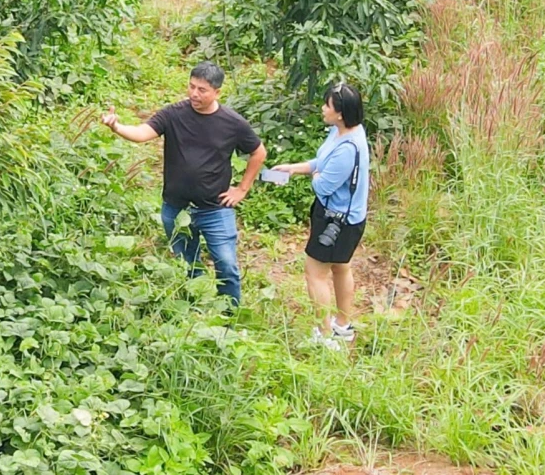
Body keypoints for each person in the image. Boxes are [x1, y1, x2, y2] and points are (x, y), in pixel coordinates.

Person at [102, 61, 265, 303]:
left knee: (227, 264)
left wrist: (242, 189)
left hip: (215, 209)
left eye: (202, 90)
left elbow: (258, 152)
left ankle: (231, 312)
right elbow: (142, 133)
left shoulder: (232, 122)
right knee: (187, 263)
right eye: (191, 86)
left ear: (217, 92)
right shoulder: (173, 114)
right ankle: (195, 306)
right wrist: (116, 126)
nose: (194, 94)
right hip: (176, 208)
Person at [271, 83, 370, 347]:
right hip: (344, 216)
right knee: (340, 267)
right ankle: (342, 325)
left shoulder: (348, 148)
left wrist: (316, 176)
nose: (323, 109)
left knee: (314, 272)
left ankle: (325, 335)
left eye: (328, 105)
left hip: (337, 220)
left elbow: (324, 185)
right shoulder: (342, 131)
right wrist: (295, 168)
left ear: (341, 113)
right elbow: (322, 164)